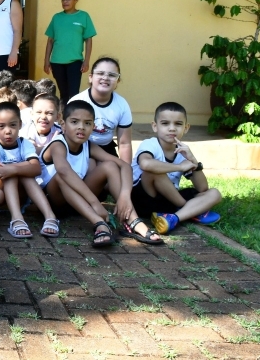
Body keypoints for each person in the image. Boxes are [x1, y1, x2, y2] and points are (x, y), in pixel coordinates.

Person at [40, 101, 161, 247]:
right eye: (74, 122)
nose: (81, 127)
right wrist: (95, 203)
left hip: (79, 201)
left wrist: (124, 196)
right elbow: (64, 171)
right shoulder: (58, 144)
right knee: (62, 176)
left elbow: (124, 165)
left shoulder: (88, 145)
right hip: (55, 201)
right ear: (63, 124)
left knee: (110, 165)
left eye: (87, 123)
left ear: (93, 127)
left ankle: (133, 220)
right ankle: (100, 224)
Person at [131, 102, 222, 235]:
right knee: (154, 172)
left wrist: (193, 160)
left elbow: (202, 188)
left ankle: (174, 218)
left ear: (186, 128)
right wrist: (179, 167)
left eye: (178, 124)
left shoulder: (182, 152)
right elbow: (146, 164)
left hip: (169, 200)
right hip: (143, 199)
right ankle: (191, 211)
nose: (172, 128)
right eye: (165, 123)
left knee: (214, 193)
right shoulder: (150, 144)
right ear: (155, 126)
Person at [0, 102, 59, 238]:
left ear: (20, 124)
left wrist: (13, 168)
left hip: (20, 190)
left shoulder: (25, 144)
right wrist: (20, 167)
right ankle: (17, 218)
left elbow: (36, 168)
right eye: (2, 126)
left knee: (22, 174)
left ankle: (50, 216)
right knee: (10, 174)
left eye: (13, 125)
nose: (8, 131)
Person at [43, 0, 96, 104]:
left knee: (73, 93)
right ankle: (63, 119)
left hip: (75, 62)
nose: (65, 2)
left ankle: (72, 119)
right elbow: (50, 41)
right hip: (56, 62)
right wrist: (46, 61)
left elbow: (88, 40)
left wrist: (87, 61)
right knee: (63, 93)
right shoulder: (56, 18)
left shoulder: (84, 16)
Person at [69, 57, 132, 161]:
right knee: (91, 166)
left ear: (118, 81)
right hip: (80, 147)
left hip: (107, 148)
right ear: (90, 77)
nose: (105, 78)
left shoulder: (122, 105)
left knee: (115, 170)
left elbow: (124, 143)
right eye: (100, 73)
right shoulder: (77, 102)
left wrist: (126, 169)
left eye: (112, 75)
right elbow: (68, 136)